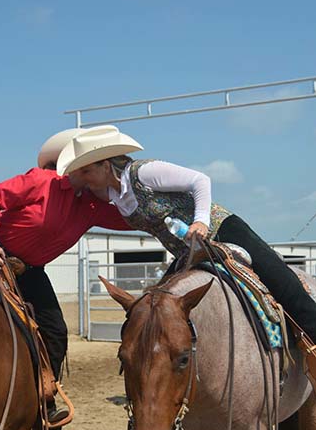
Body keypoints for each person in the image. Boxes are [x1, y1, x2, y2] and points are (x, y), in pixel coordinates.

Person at [56, 125, 316, 346]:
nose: (83, 180)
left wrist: (201, 220)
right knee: (156, 306)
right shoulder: (113, 196)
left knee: (282, 282)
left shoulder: (143, 172)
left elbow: (199, 180)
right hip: (186, 252)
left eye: (86, 171)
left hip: (222, 229)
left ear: (105, 164)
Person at [0, 127, 134, 423]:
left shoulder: (93, 206)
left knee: (55, 330)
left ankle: (43, 397)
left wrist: (161, 210)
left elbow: (131, 219)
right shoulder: (40, 181)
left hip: (29, 271)